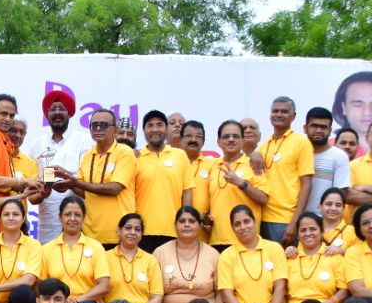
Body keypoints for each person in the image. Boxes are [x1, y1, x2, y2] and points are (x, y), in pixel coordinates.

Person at [55, 108, 137, 247]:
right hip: (90, 235)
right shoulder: (87, 156)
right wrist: (67, 181)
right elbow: (84, 192)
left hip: (119, 234)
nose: (98, 128)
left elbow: (114, 188)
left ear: (115, 131)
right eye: (94, 125)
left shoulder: (125, 153)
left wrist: (76, 182)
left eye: (104, 125)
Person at [37, 196, 110, 303]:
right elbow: (41, 286)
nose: (72, 219)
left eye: (77, 215)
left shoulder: (95, 247)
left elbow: (104, 286)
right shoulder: (46, 249)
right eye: (67, 214)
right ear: (60, 217)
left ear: (83, 218)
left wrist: (75, 302)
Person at [217, 205, 289, 303]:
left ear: (255, 222)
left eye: (246, 221)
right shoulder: (227, 255)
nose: (243, 227)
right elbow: (226, 294)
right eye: (237, 224)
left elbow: (280, 286)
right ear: (232, 228)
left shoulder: (274, 249)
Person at [155, 206, 222, 303]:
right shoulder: (160, 253)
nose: (186, 224)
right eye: (182, 221)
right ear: (175, 225)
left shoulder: (213, 254)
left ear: (199, 225)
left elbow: (221, 293)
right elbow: (153, 291)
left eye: (191, 221)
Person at [27, 89, 85, 243]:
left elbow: (89, 189)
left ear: (69, 113)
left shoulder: (83, 142)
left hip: (78, 222)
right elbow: (32, 197)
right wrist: (42, 193)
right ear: (47, 115)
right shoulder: (37, 145)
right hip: (47, 223)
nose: (57, 113)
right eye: (53, 109)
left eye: (62, 109)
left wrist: (68, 179)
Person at [258, 97, 315, 245]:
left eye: (284, 111)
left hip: (285, 220)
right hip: (262, 218)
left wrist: (295, 222)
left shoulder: (301, 142)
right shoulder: (265, 145)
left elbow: (307, 184)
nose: (279, 114)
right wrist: (253, 154)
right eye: (275, 111)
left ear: (293, 116)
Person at [105, 213, 166, 303]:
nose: (132, 232)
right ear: (119, 231)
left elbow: (157, 296)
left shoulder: (150, 260)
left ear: (142, 234)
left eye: (137, 229)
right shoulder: (104, 257)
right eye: (128, 228)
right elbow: (98, 292)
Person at [133, 110, 191, 251]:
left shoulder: (180, 155)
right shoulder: (136, 158)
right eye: (150, 125)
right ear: (144, 131)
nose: (155, 129)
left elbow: (187, 192)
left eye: (159, 125)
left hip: (173, 231)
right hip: (142, 232)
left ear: (166, 129)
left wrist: (186, 222)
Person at [206, 121, 269, 249]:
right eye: (226, 136)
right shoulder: (212, 165)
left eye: (235, 136)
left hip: (247, 240)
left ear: (242, 140)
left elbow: (263, 198)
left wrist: (240, 183)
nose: (230, 140)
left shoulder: (254, 164)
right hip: (216, 240)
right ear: (218, 142)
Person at [284, 213, 347, 303]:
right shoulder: (289, 257)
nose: (308, 233)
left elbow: (345, 290)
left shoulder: (334, 256)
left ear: (321, 232)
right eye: (303, 230)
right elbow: (281, 290)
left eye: (313, 229)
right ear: (297, 235)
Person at [305, 107, 351, 210]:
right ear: (305, 128)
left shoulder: (339, 156)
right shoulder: (296, 151)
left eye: (323, 127)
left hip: (323, 220)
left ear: (330, 131)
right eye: (314, 126)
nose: (318, 131)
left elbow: (340, 194)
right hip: (291, 217)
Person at [317, 187, 359, 253]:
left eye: (338, 205)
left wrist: (343, 251)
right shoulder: (311, 230)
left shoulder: (352, 232)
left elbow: (359, 256)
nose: (333, 208)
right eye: (329, 204)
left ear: (343, 208)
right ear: (320, 206)